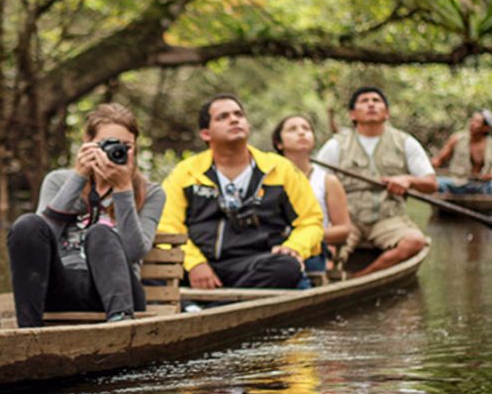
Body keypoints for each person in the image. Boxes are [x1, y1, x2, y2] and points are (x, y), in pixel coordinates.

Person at [7, 103, 166, 327]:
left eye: (126, 146)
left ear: (135, 148)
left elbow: (133, 252)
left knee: (100, 233)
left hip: (119, 292)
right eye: (106, 145)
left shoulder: (151, 193)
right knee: (27, 224)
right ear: (87, 143)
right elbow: (39, 240)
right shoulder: (58, 181)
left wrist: (123, 189)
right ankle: (28, 332)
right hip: (61, 287)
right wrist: (79, 177)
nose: (114, 151)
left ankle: (121, 326)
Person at [158, 94, 323, 290]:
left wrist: (293, 247)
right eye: (223, 117)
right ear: (206, 134)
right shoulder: (185, 172)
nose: (234, 119)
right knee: (148, 269)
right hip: (202, 267)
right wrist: (194, 263)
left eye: (238, 114)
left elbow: (311, 221)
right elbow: (166, 225)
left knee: (287, 266)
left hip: (258, 264)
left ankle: (210, 305)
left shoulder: (280, 169)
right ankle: (214, 302)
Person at [314, 87, 436, 278]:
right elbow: (316, 184)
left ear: (386, 113)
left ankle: (361, 278)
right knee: (320, 246)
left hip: (389, 218)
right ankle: (330, 276)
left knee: (415, 242)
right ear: (353, 114)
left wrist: (408, 180)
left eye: (376, 101)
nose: (371, 104)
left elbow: (431, 184)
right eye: (364, 101)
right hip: (347, 219)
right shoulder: (336, 145)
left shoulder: (405, 142)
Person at [271, 114, 352, 277]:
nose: (301, 132)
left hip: (311, 250)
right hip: (272, 246)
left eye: (306, 129)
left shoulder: (327, 180)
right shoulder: (268, 176)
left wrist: (307, 235)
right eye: (292, 129)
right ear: (279, 143)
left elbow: (343, 229)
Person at [430, 109, 492, 195]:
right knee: (436, 183)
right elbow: (438, 160)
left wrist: (490, 177)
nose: (472, 124)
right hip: (457, 183)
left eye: (477, 122)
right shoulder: (457, 139)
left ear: (486, 128)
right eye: (472, 120)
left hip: (482, 185)